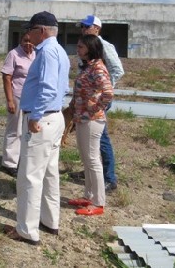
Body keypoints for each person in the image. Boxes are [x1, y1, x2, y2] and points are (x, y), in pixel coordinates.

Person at [3, 11, 70, 246]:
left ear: (41, 30)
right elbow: (61, 88)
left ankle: (27, 230)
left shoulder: (47, 52)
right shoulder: (60, 51)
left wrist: (36, 115)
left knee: (30, 176)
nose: (28, 35)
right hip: (55, 117)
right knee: (50, 173)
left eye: (30, 30)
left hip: (42, 119)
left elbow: (48, 88)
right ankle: (50, 221)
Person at [68, 34, 114, 216]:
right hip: (82, 118)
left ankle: (98, 202)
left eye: (81, 47)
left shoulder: (98, 68)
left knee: (93, 160)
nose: (77, 50)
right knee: (86, 158)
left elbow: (108, 93)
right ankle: (88, 195)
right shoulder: (88, 66)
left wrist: (94, 107)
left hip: (92, 120)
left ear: (90, 48)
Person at [80, 15, 124, 192]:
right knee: (92, 138)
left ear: (97, 28)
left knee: (101, 137)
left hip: (98, 100)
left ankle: (109, 178)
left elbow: (118, 70)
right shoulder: (88, 45)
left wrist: (103, 88)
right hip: (89, 99)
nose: (83, 29)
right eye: (82, 26)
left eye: (86, 26)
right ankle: (94, 170)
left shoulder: (104, 46)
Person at [0, 31, 35, 177]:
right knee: (14, 129)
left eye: (31, 41)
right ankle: (9, 163)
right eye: (25, 41)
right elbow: (6, 77)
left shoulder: (36, 54)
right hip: (17, 96)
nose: (28, 44)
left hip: (32, 98)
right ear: (20, 41)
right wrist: (10, 100)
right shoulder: (13, 54)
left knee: (27, 130)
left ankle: (22, 158)